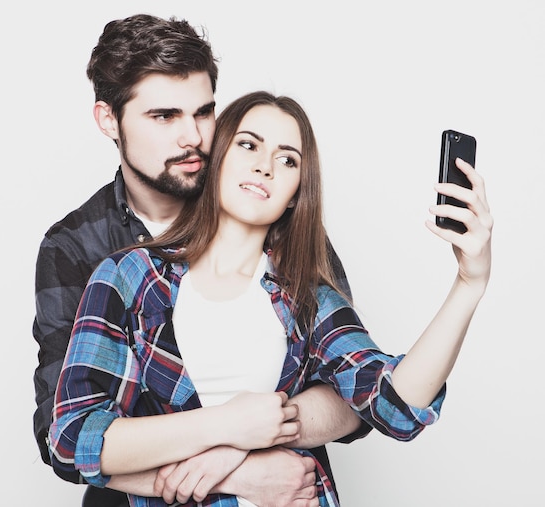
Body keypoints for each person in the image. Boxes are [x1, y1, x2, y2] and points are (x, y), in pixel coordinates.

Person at [48, 91, 493, 506]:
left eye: (287, 160)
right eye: (248, 145)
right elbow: (73, 437)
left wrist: (469, 284)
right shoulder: (131, 277)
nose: (265, 167)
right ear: (216, 158)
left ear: (296, 193)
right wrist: (230, 431)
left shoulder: (306, 294)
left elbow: (395, 404)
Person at [33, 14, 366, 507]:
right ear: (108, 119)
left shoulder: (263, 203)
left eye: (204, 112)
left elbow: (351, 395)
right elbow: (62, 441)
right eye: (164, 116)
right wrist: (237, 469)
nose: (193, 137)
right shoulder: (76, 247)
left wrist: (245, 442)